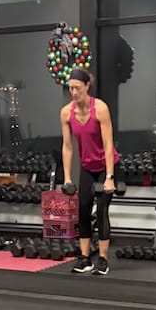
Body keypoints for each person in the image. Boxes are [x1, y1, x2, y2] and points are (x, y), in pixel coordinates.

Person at [60, 68, 120, 276]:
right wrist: (67, 178)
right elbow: (67, 146)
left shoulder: (100, 109)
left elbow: (108, 143)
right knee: (83, 209)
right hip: (87, 166)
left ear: (87, 86)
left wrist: (110, 177)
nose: (74, 92)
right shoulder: (66, 113)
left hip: (106, 165)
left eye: (77, 87)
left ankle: (102, 259)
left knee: (101, 209)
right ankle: (85, 258)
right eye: (71, 88)